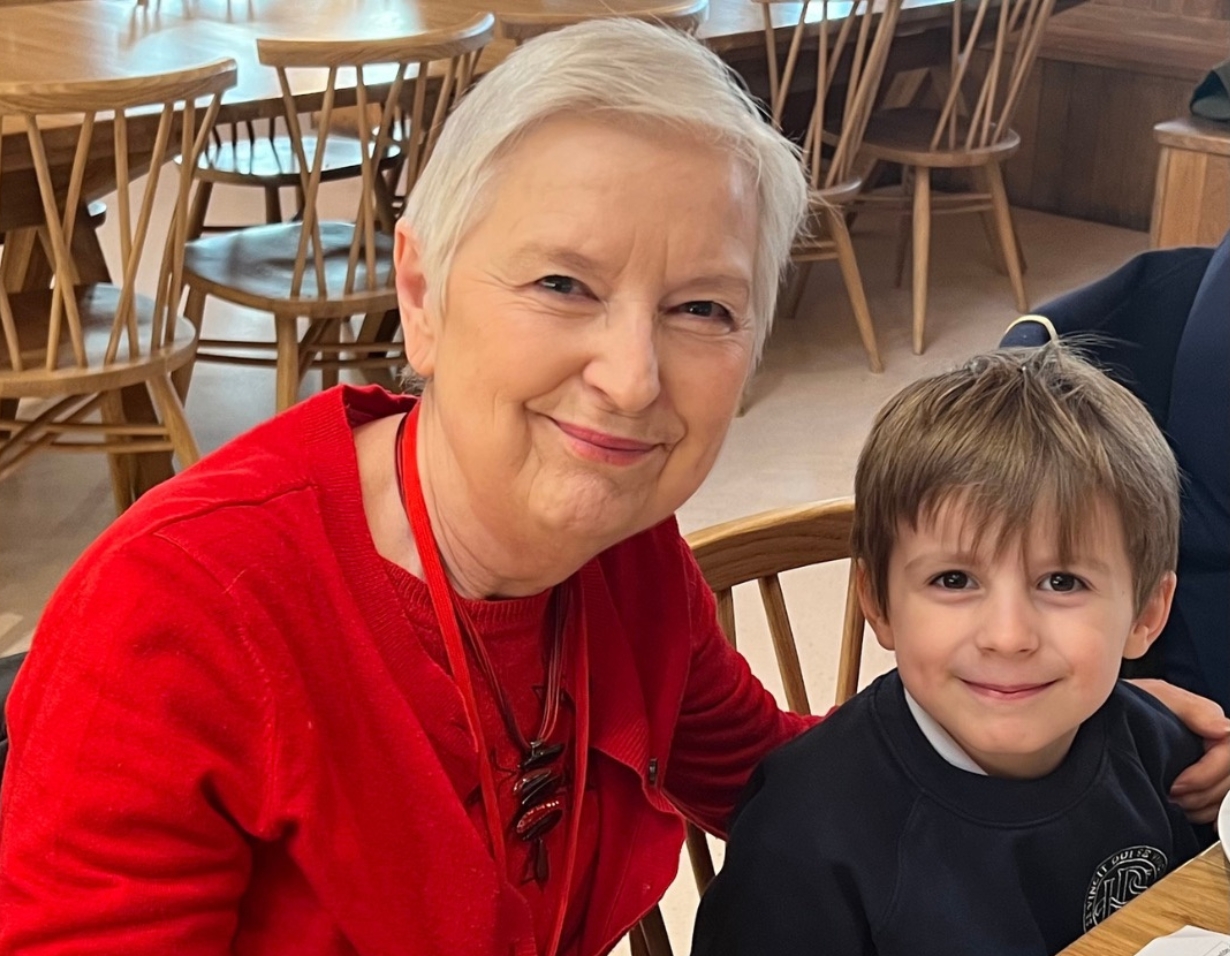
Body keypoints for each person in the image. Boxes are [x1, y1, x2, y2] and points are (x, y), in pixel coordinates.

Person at [0, 20, 1226, 956]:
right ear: (419, 294)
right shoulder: (179, 621)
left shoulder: (622, 550)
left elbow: (769, 772)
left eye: (702, 307)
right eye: (562, 285)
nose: (632, 377)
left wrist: (1062, 726)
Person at [690, 344, 1218, 956]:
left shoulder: (1159, 747)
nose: (1008, 636)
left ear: (1146, 613)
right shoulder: (801, 844)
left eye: (1062, 582)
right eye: (954, 580)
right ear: (879, 603)